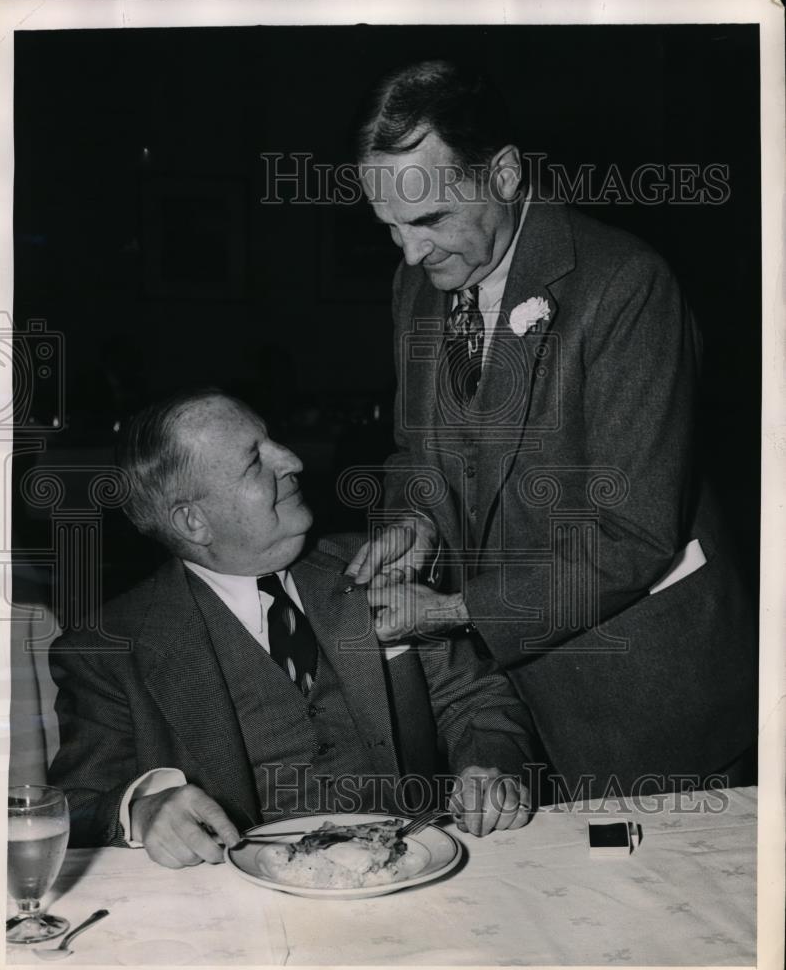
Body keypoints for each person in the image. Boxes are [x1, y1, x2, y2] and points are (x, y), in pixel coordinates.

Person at [346, 60, 757, 798]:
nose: (409, 253)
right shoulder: (417, 282)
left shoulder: (625, 284)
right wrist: (414, 521)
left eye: (431, 219)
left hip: (650, 703)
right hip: (514, 706)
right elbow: (420, 451)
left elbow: (632, 535)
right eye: (391, 228)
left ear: (503, 174)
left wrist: (450, 609)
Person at [47, 389, 536, 868]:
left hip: (410, 867)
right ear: (194, 522)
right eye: (255, 461)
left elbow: (476, 702)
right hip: (243, 908)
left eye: (273, 441)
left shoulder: (373, 565)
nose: (293, 460)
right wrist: (142, 808)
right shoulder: (108, 647)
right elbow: (74, 804)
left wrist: (489, 767)